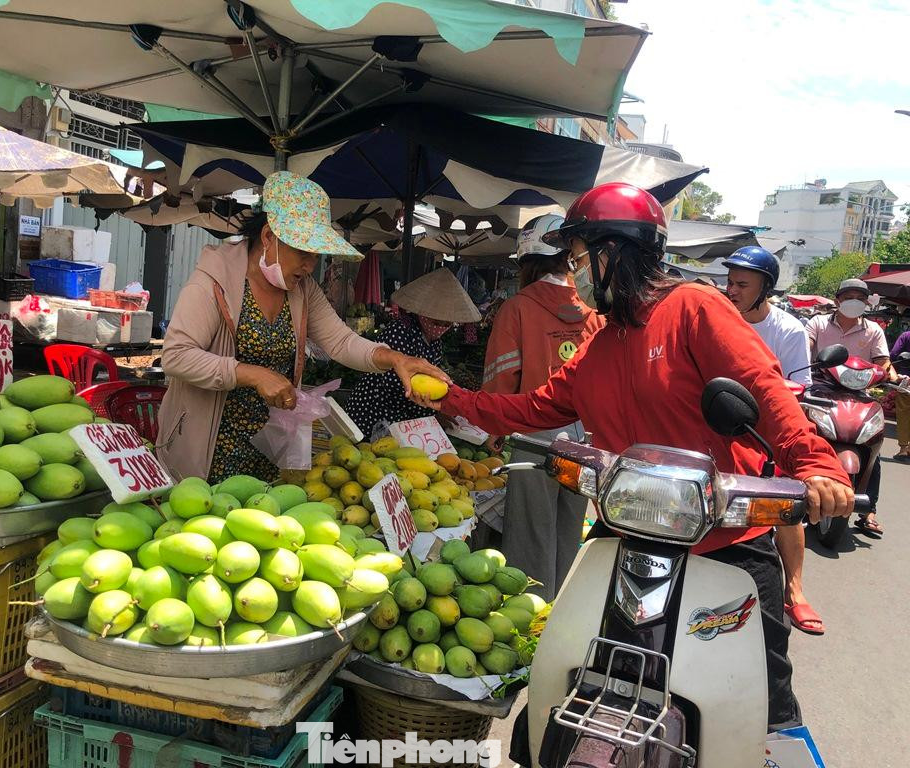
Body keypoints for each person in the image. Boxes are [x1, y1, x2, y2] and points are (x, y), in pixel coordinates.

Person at [411, 182, 853, 730]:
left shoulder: (693, 307)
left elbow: (762, 388)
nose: (574, 273)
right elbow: (531, 409)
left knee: (762, 699)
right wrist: (450, 396)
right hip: (629, 532)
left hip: (723, 536)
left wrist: (815, 464)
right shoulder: (600, 343)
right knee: (570, 666)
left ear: (614, 251)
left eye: (580, 258)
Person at [157, 171, 448, 483]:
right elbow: (176, 356)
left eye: (316, 254)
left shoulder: (302, 290)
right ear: (268, 237)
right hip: (207, 448)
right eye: (302, 251)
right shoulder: (213, 281)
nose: (310, 265)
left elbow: (341, 342)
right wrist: (252, 374)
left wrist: (395, 359)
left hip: (268, 450)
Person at [480, 213, 603, 601]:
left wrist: (495, 429)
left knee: (531, 535)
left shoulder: (517, 308)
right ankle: (560, 611)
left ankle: (531, 617)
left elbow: (502, 379)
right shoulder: (593, 314)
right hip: (584, 442)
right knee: (569, 531)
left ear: (527, 261)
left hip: (534, 438)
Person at [725, 247, 822, 636]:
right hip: (719, 426)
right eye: (729, 282)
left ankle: (794, 589)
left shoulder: (788, 330)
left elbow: (798, 389)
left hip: (767, 434)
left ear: (765, 288)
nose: (731, 290)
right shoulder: (717, 321)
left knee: (785, 504)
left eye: (741, 284)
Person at [344, 268, 480, 439]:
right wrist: (431, 410)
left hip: (404, 418)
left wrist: (437, 408)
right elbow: (397, 384)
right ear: (423, 314)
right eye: (436, 322)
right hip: (374, 411)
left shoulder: (435, 342)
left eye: (446, 324)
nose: (441, 327)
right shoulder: (399, 331)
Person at [806, 278, 895, 536]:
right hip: (820, 389)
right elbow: (804, 349)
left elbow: (883, 361)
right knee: (802, 435)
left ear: (867, 303)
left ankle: (869, 511)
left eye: (860, 298)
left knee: (872, 445)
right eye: (848, 297)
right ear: (838, 300)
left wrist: (891, 374)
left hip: (859, 394)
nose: (854, 302)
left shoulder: (873, 330)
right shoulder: (818, 323)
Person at [888, 327, 910, 462]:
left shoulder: (906, 336)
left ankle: (903, 449)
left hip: (905, 381)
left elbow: (893, 355)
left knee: (903, 415)